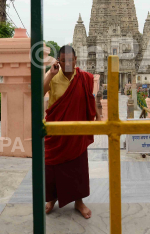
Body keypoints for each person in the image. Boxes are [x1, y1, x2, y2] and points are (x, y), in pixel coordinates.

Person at [43, 45, 100, 219]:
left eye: (70, 60)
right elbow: (38, 92)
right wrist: (51, 74)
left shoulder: (84, 78)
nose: (67, 63)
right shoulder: (52, 76)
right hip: (56, 131)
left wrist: (100, 117)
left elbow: (91, 98)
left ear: (75, 60)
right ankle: (52, 199)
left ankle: (79, 202)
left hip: (76, 131)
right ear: (58, 61)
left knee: (78, 167)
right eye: (63, 60)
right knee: (51, 166)